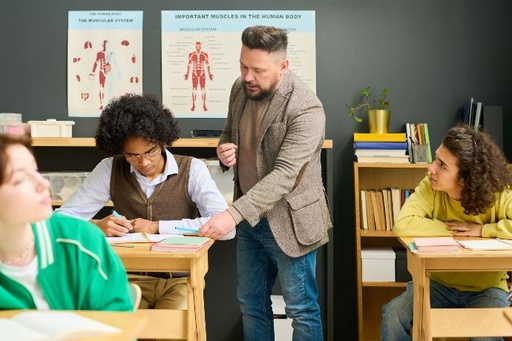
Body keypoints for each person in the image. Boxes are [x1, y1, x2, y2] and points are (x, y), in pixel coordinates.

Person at [199, 26, 332, 340]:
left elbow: (285, 174)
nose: (247, 76)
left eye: (257, 69)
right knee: (251, 304)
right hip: (250, 220)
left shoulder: (307, 109)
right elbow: (229, 134)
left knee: (301, 309)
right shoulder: (240, 88)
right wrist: (224, 151)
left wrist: (231, 214)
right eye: (243, 66)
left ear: (283, 67)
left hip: (291, 220)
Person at [56, 93, 233, 311]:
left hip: (180, 280)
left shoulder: (192, 169)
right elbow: (59, 222)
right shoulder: (110, 168)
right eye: (132, 155)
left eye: (150, 151)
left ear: (161, 140)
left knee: (169, 330)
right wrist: (95, 226)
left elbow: (225, 229)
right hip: (127, 278)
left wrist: (158, 227)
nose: (144, 162)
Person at [381, 124, 512, 341]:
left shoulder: (497, 193)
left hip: (486, 288)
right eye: (435, 159)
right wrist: (452, 231)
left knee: (485, 336)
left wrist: (484, 230)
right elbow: (402, 224)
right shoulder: (430, 186)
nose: (431, 168)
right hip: (438, 285)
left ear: (464, 179)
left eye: (442, 165)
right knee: (393, 315)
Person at [0, 134, 132, 311]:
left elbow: (121, 330)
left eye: (35, 170)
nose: (43, 183)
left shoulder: (83, 242)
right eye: (20, 180)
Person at [184, 41, 213, 112]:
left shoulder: (204, 54)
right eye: (197, 46)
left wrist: (209, 74)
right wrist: (187, 74)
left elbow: (207, 64)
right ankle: (193, 105)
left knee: (203, 89)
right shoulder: (191, 55)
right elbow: (189, 64)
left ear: (201, 46)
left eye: (199, 46)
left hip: (202, 73)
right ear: (195, 46)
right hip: (194, 74)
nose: (198, 48)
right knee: (194, 89)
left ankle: (204, 105)